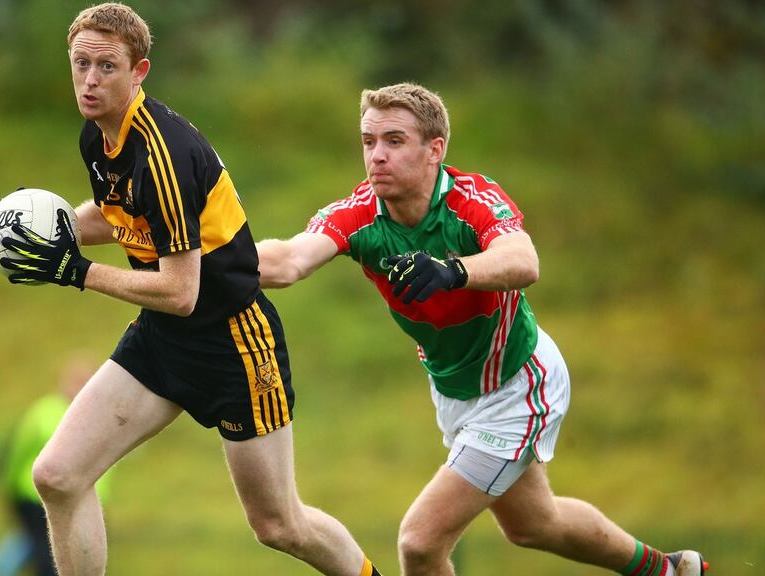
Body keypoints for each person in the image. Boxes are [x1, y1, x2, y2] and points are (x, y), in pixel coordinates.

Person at [0, 3, 382, 575]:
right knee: (58, 476)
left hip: (234, 344)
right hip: (163, 337)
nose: (90, 80)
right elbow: (117, 214)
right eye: (81, 63)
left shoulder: (162, 155)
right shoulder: (99, 136)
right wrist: (32, 230)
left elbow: (180, 291)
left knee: (280, 525)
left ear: (139, 72)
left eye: (107, 67)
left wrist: (74, 270)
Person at [256, 82, 708, 576]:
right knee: (534, 525)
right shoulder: (359, 214)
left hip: (517, 385)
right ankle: (667, 571)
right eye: (369, 142)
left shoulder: (472, 199)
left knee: (420, 543)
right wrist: (208, 256)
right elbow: (288, 260)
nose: (377, 156)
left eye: (394, 141)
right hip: (455, 389)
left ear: (435, 150)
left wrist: (453, 270)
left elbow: (523, 261)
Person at [0, 356, 113, 576]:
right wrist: (8, 486)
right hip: (36, 496)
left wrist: (101, 498)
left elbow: (106, 462)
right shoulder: (44, 411)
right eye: (76, 381)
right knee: (46, 554)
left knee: (66, 552)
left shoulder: (103, 415)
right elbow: (19, 450)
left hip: (80, 498)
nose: (79, 387)